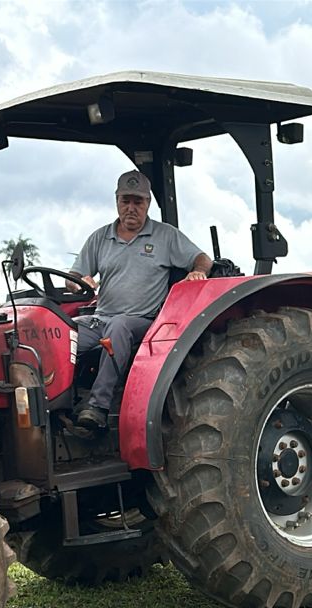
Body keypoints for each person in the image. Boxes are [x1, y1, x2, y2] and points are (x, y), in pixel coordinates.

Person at [67, 169, 212, 434]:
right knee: (63, 332)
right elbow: (73, 277)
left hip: (143, 323)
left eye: (138, 201)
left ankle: (98, 407)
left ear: (147, 204)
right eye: (126, 201)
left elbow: (202, 258)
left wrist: (197, 271)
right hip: (101, 318)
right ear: (117, 201)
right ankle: (55, 407)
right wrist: (79, 282)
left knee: (119, 326)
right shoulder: (100, 237)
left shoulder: (166, 236)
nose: (131, 208)